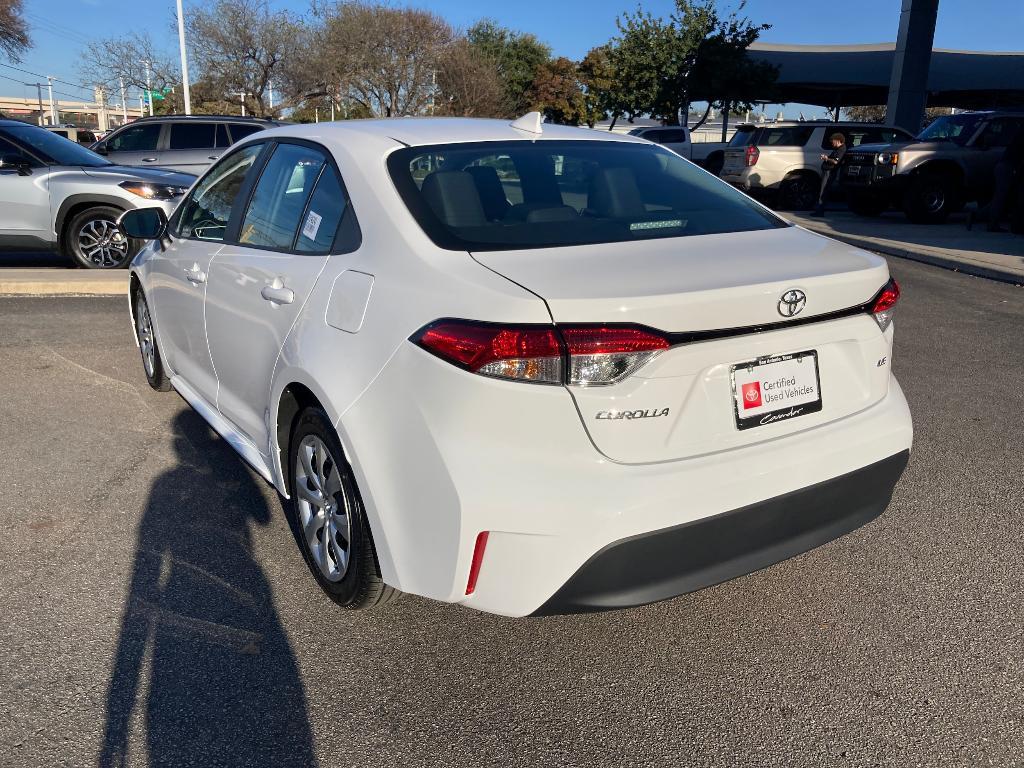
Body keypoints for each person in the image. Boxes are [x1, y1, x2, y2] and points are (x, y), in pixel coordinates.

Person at [968, 125, 1024, 233]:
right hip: (1008, 168)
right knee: (1000, 198)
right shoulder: (1021, 137)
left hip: (1004, 166)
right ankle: (991, 224)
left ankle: (980, 217)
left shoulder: (1018, 135)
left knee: (1001, 198)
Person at [811, 132, 847, 216]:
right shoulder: (837, 149)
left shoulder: (841, 149)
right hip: (827, 171)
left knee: (823, 191)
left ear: (838, 141)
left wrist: (826, 158)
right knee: (822, 190)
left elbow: (836, 161)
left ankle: (819, 211)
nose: (831, 143)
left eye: (833, 141)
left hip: (830, 172)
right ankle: (819, 210)